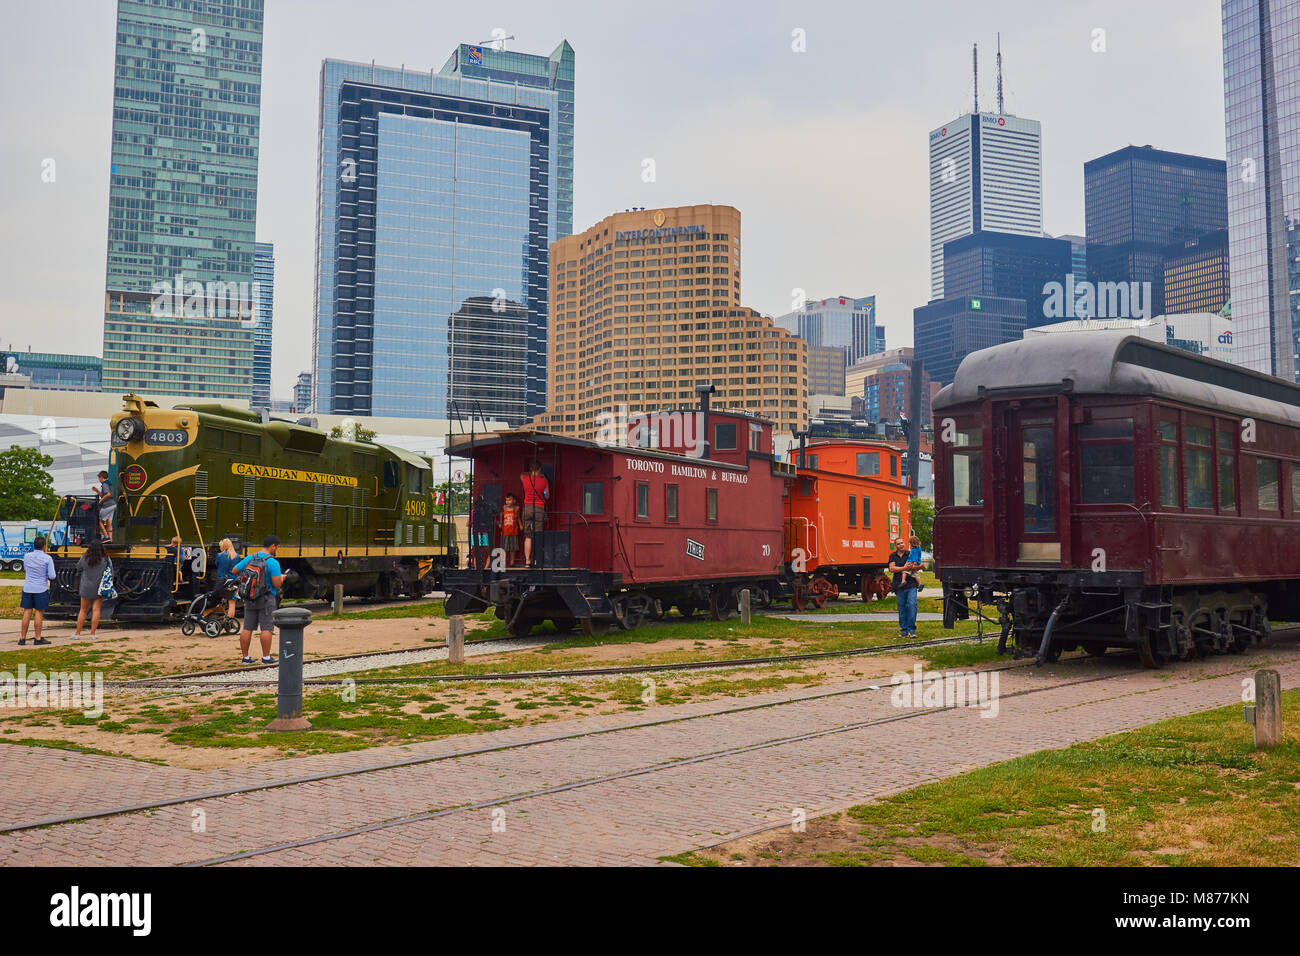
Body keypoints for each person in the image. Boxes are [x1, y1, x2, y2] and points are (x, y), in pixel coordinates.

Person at [233, 534, 286, 665]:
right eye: (277, 547)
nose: (276, 549)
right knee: (266, 628)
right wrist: (282, 578)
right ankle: (266, 657)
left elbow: (235, 570)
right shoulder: (273, 562)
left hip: (250, 597)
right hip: (266, 598)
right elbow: (277, 584)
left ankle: (245, 658)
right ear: (273, 546)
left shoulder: (251, 558)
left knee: (247, 628)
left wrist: (248, 580)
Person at [18, 535, 57, 646]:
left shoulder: (27, 556)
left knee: (27, 612)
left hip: (28, 587)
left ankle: (22, 638)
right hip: (41, 588)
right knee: (39, 613)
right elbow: (52, 576)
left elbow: (26, 569)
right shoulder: (47, 558)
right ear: (44, 546)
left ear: (34, 546)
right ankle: (38, 638)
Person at [73, 539, 111, 638]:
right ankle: (92, 634)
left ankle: (77, 633)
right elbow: (111, 571)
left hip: (86, 587)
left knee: (83, 610)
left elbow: (78, 567)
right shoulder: (105, 559)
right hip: (99, 587)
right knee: (96, 610)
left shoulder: (85, 558)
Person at [888, 538, 921, 639]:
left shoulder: (910, 553)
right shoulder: (893, 556)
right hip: (899, 585)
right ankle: (904, 630)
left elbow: (918, 565)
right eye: (898, 544)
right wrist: (905, 568)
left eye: (902, 543)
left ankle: (912, 630)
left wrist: (914, 567)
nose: (901, 545)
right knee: (902, 608)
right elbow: (891, 568)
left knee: (912, 605)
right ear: (896, 546)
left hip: (911, 584)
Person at [520, 462, 549, 567]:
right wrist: (541, 477)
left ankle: (527, 561)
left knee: (528, 536)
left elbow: (522, 474)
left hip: (527, 508)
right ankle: (536, 560)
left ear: (531, 469)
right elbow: (547, 496)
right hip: (539, 508)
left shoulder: (525, 478)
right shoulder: (544, 481)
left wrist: (531, 473)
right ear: (540, 469)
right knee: (537, 535)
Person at [214, 537, 241, 620]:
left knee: (215, 598)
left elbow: (216, 564)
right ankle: (229, 621)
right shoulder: (237, 556)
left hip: (222, 581)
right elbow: (238, 569)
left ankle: (214, 617)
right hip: (233, 581)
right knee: (232, 603)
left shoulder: (220, 555)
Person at [499, 493, 521, 566]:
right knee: (504, 548)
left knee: (513, 548)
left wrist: (520, 525)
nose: (508, 502)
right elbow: (501, 518)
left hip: (514, 531)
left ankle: (512, 562)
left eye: (509, 500)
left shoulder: (516, 508)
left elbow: (518, 518)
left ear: (514, 501)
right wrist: (500, 524)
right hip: (505, 531)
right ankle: (503, 562)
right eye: (506, 500)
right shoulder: (504, 508)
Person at [95, 470, 115, 540]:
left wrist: (100, 501)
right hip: (113, 504)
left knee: (99, 521)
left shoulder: (104, 484)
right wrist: (97, 491)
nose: (99, 479)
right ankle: (110, 539)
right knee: (109, 522)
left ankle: (106, 536)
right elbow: (105, 494)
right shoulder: (109, 483)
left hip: (107, 505)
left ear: (101, 477)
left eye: (99, 478)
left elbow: (108, 494)